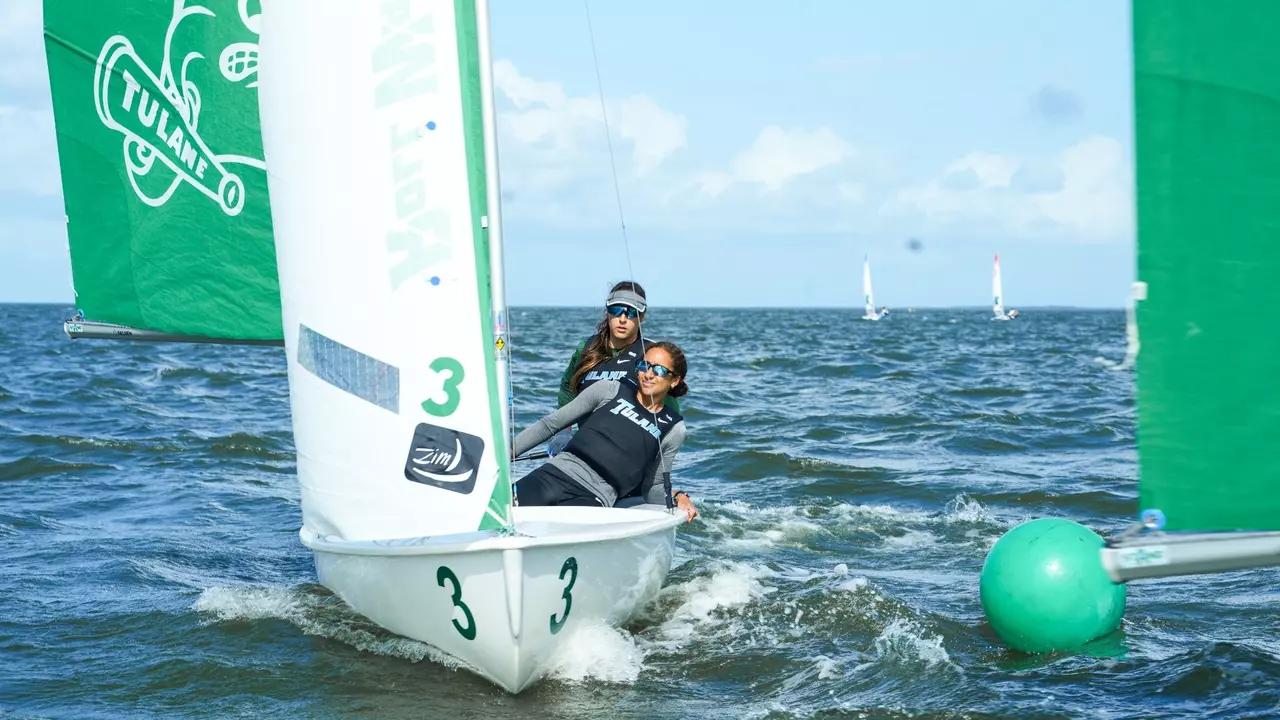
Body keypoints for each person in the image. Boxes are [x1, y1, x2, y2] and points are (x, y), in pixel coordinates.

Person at [512, 341, 698, 522]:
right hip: (554, 474)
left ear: (674, 380)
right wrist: (507, 453)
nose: (648, 374)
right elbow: (549, 425)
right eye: (644, 365)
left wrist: (678, 496)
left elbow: (653, 486)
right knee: (496, 514)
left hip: (595, 496)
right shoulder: (609, 389)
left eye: (658, 370)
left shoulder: (673, 429)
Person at [557, 281, 681, 415]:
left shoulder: (652, 354)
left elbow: (671, 414)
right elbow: (568, 388)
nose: (622, 319)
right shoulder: (585, 348)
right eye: (616, 309)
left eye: (632, 312)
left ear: (642, 316)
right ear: (607, 312)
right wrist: (565, 431)